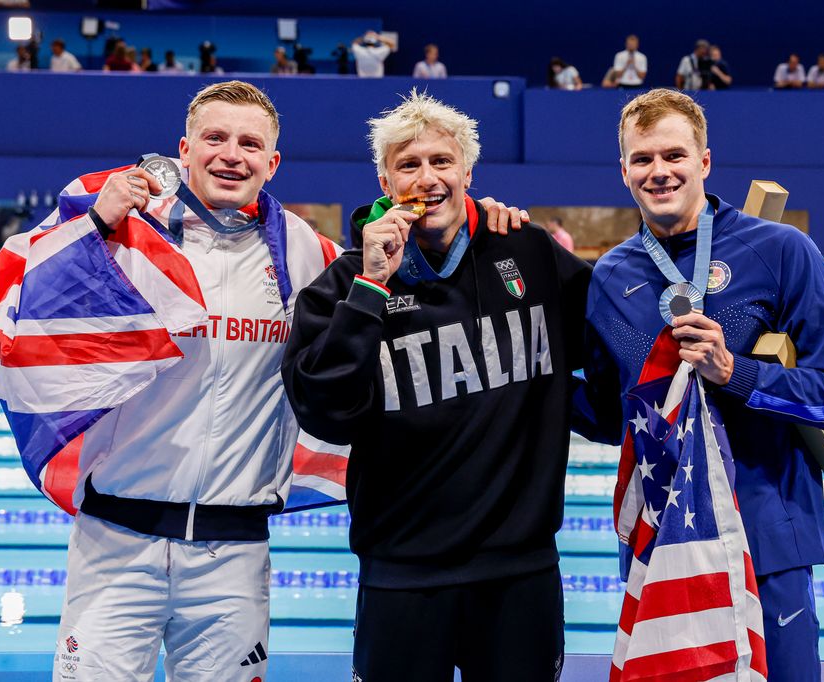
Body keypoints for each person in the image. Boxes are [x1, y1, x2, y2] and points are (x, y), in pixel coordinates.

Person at [282, 90, 595, 682]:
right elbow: (325, 412)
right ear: (384, 179)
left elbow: (612, 347)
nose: (428, 177)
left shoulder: (527, 251)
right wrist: (372, 286)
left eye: (442, 162)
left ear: (468, 173)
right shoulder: (343, 284)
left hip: (519, 575)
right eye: (409, 164)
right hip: (403, 575)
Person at [43, 80, 340, 682]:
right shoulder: (127, 233)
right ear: (184, 149)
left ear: (272, 162)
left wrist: (492, 226)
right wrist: (96, 226)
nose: (232, 154)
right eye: (215, 138)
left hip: (231, 552)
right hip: (117, 540)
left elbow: (397, 293)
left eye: (250, 143)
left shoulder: (307, 255)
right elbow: (29, 297)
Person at [583, 88, 824, 681]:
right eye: (642, 159)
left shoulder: (781, 250)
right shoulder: (610, 275)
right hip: (664, 542)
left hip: (767, 537)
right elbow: (614, 418)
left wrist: (735, 373)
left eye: (674, 155)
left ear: (704, 162)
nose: (659, 171)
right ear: (624, 173)